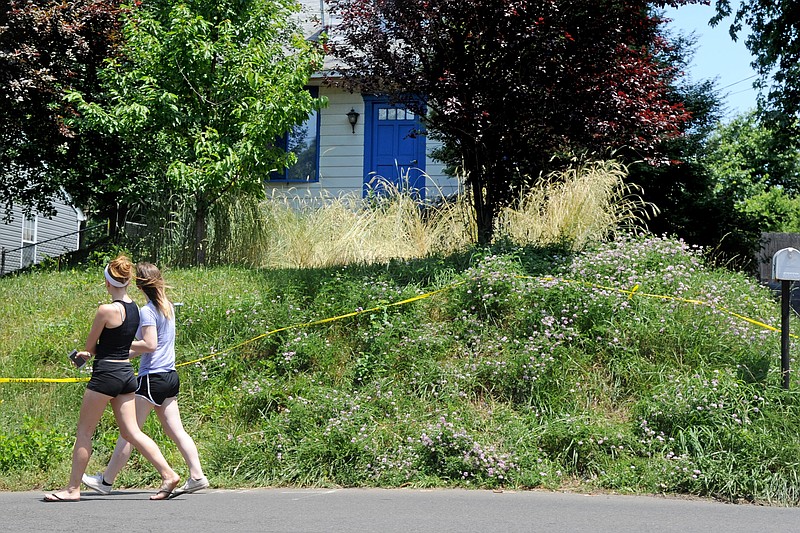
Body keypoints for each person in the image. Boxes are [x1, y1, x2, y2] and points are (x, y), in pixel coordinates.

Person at [43, 255, 180, 502]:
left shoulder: (105, 310)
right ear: (128, 282)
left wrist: (82, 356)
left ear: (108, 283)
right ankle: (168, 473)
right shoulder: (137, 310)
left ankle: (73, 489)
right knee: (131, 432)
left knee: (84, 433)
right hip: (127, 375)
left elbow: (91, 348)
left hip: (105, 374)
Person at [82, 261, 208, 498]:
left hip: (152, 378)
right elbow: (152, 345)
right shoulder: (167, 307)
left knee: (129, 432)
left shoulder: (148, 311)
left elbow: (150, 345)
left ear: (138, 286)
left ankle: (106, 481)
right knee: (176, 431)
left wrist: (118, 346)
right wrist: (125, 352)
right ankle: (197, 475)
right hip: (170, 376)